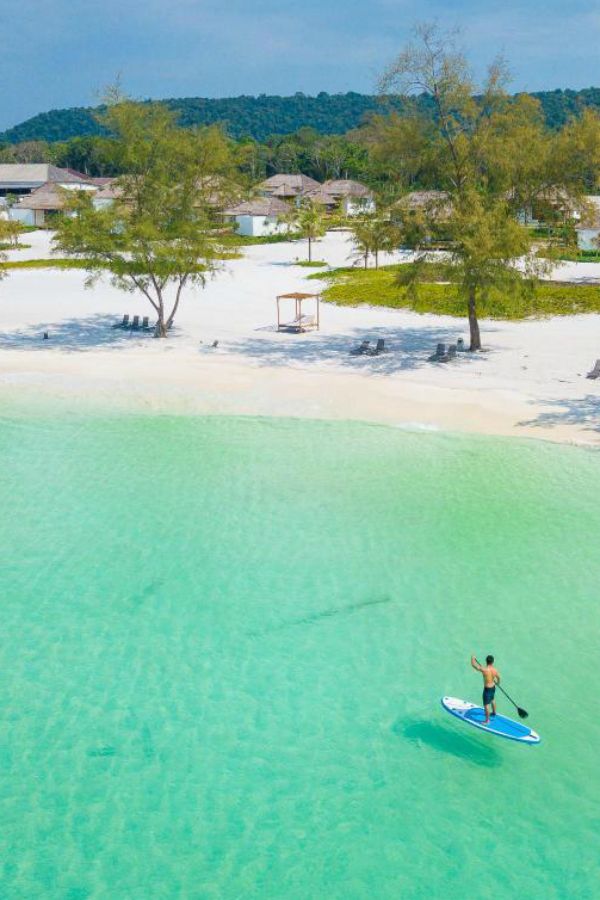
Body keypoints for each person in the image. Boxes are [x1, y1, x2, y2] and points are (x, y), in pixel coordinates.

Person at [471, 655, 500, 725]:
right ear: (492, 662)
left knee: (486, 704)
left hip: (487, 689)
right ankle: (494, 712)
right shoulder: (495, 670)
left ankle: (487, 721)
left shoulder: (484, 669)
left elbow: (474, 666)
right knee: (492, 699)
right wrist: (498, 683)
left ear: (486, 661)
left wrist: (472, 659)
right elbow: (499, 677)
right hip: (493, 687)